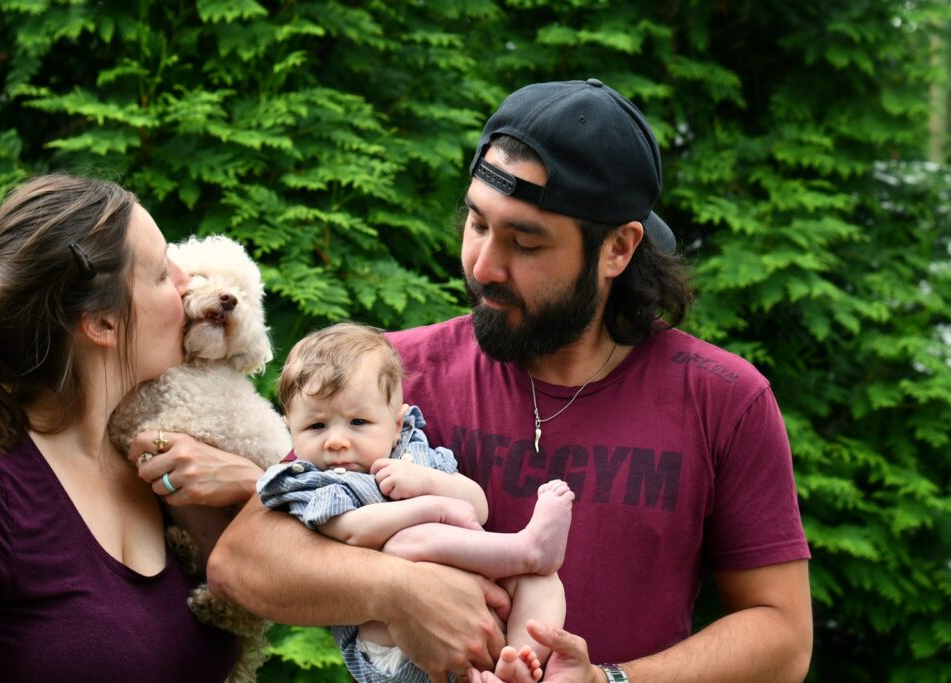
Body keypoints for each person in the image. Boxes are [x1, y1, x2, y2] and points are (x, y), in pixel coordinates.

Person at [208, 79, 813, 683]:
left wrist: (612, 682)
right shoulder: (393, 378)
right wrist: (397, 591)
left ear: (618, 249)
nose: (483, 265)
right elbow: (243, 562)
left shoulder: (722, 400)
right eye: (476, 223)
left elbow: (783, 638)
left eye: (525, 242)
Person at [0, 174, 267, 681]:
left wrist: (254, 486)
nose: (187, 284)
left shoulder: (172, 464)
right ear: (102, 324)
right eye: (160, 274)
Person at [258, 322, 574, 683]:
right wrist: (431, 507)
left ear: (396, 425)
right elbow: (351, 533)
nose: (336, 441)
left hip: (480, 614)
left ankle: (517, 660)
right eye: (316, 426)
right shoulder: (311, 481)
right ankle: (526, 547)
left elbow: (478, 506)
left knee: (542, 583)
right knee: (405, 542)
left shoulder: (414, 456)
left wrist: (427, 481)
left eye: (357, 422)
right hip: (394, 642)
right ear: (290, 428)